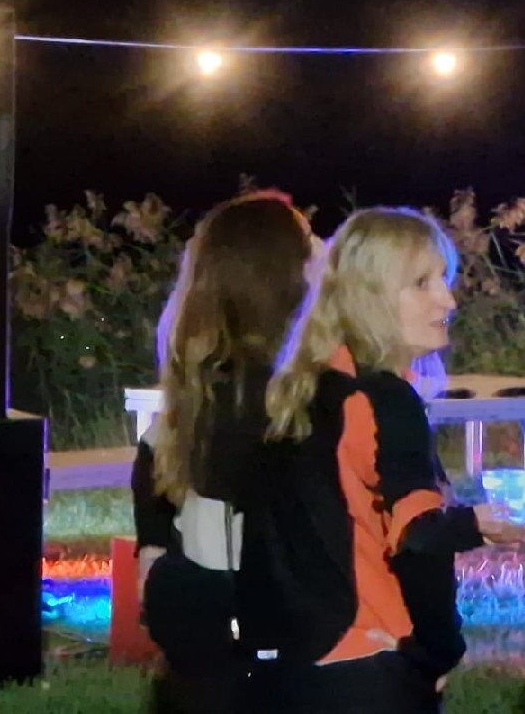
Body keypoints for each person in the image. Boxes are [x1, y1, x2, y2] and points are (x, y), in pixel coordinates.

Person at [240, 208, 525, 713]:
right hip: (371, 661)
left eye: (444, 279)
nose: (448, 300)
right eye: (422, 283)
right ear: (369, 295)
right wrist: (436, 652)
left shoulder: (300, 392)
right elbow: (416, 539)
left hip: (293, 663)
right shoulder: (386, 400)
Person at [132, 191, 319, 714]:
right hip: (260, 656)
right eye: (309, 244)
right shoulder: (281, 402)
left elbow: (152, 522)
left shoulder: (201, 390)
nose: (323, 252)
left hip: (198, 649)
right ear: (281, 273)